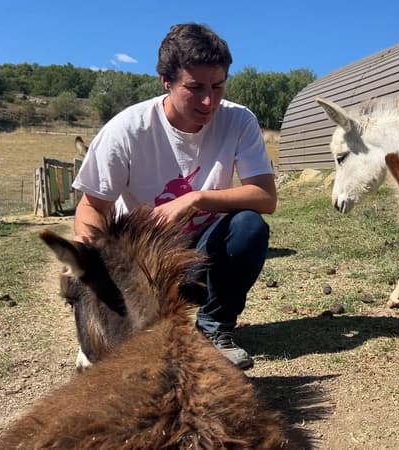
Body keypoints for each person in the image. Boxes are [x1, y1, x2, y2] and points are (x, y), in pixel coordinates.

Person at [71, 23, 277, 370]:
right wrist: (100, 267)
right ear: (166, 81)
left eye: (218, 86)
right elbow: (91, 208)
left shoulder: (239, 121)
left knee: (249, 227)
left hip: (204, 247)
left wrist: (195, 200)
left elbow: (265, 197)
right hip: (144, 254)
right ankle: (116, 332)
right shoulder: (126, 131)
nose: (209, 100)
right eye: (194, 88)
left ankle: (214, 331)